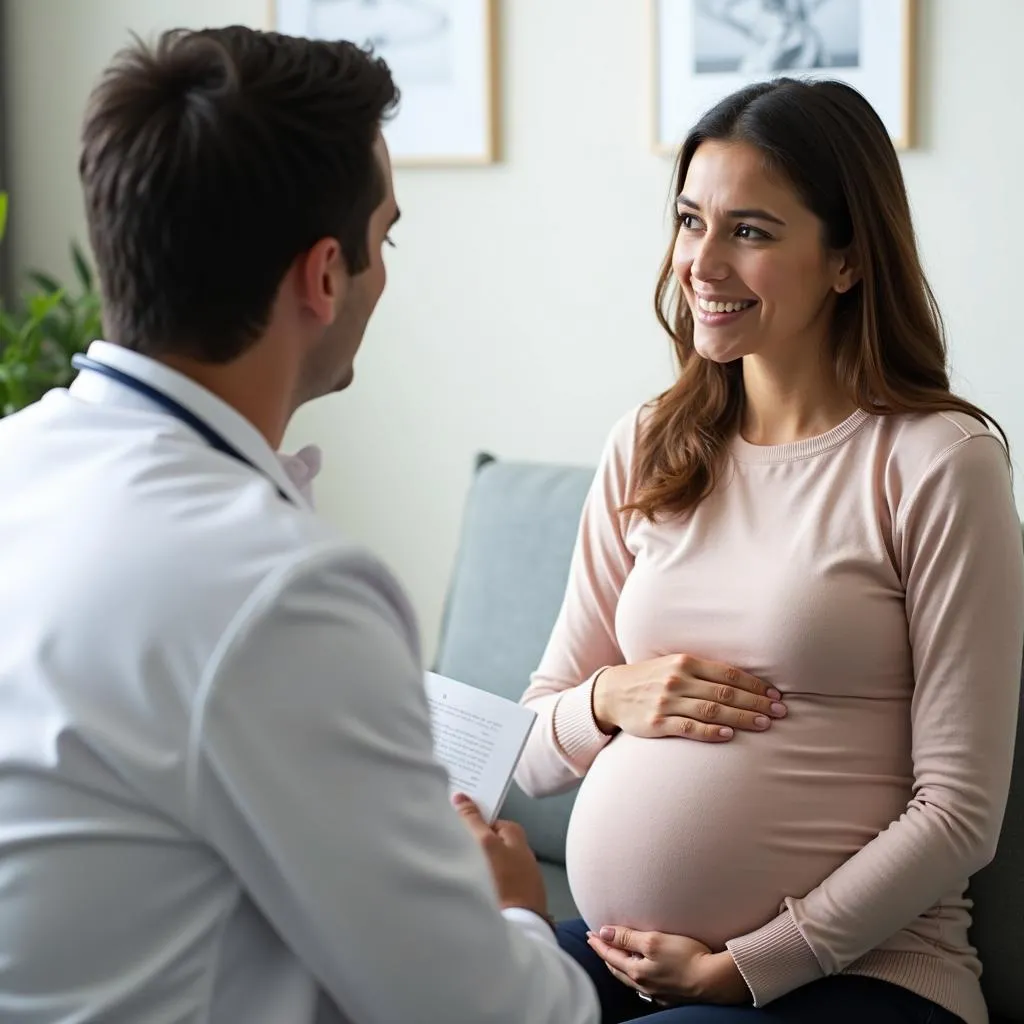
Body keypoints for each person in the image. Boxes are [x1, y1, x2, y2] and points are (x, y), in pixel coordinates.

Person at [0, 26, 599, 1024]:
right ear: (325, 277)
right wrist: (516, 916)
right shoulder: (281, 587)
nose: (384, 270)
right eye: (386, 238)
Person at [515, 78, 1023, 1024]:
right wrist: (609, 698)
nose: (700, 263)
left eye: (750, 231)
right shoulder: (649, 444)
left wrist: (747, 966)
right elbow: (533, 749)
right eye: (689, 221)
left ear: (845, 259)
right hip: (623, 956)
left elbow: (958, 815)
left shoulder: (937, 461)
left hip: (861, 975)